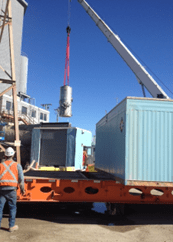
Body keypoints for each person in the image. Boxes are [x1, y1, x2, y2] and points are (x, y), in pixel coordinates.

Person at [0, 147, 25, 232]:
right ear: (13, 155)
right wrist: (22, 189)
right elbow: (21, 179)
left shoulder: (0, 165)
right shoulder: (17, 165)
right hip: (12, 191)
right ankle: (11, 226)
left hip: (2, 190)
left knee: (0, 208)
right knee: (12, 208)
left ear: (5, 155)